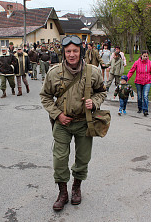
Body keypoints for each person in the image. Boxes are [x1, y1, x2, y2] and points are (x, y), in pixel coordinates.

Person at [40, 35, 106, 211]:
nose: (71, 54)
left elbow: (102, 92)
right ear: (64, 53)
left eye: (75, 51)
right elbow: (45, 96)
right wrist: (57, 114)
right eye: (68, 51)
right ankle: (63, 193)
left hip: (85, 123)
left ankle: (76, 187)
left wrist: (95, 102)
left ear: (80, 52)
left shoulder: (93, 72)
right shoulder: (54, 73)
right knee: (59, 160)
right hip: (63, 123)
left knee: (83, 158)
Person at [127, 50, 151, 116]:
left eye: (146, 56)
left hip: (147, 82)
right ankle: (140, 108)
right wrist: (127, 78)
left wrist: (149, 78)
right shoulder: (137, 63)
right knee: (139, 96)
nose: (145, 57)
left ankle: (145, 110)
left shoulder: (150, 63)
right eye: (144, 56)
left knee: (145, 95)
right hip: (138, 81)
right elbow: (132, 71)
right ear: (141, 56)